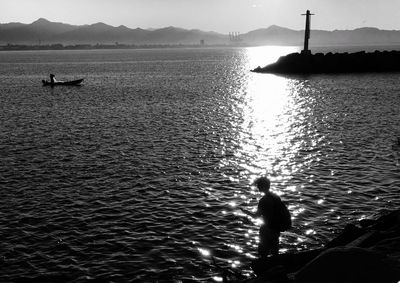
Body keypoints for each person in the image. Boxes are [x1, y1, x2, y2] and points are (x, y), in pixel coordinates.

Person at [252, 176, 291, 257]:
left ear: (262, 186)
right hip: (276, 228)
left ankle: (264, 266)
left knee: (263, 252)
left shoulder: (263, 201)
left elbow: (256, 216)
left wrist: (245, 212)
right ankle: (275, 265)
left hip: (267, 228)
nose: (257, 187)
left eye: (258, 185)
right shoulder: (276, 197)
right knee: (274, 250)